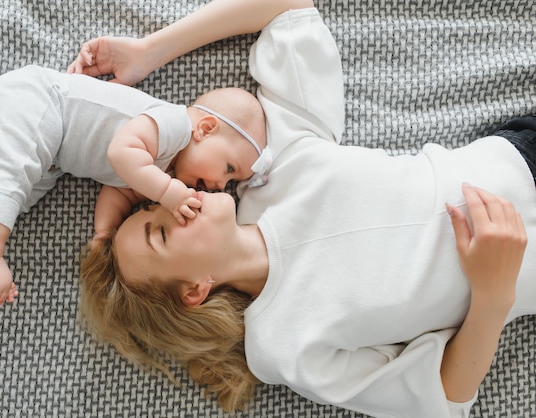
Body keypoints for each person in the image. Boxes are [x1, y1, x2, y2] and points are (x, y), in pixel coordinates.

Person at [72, 0, 536, 416]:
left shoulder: (272, 167)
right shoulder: (280, 345)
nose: (172, 201)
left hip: (520, 154)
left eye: (152, 204)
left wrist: (151, 50)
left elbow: (286, 8)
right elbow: (442, 402)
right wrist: (493, 296)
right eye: (161, 232)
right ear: (195, 289)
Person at [0, 64, 267, 305]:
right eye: (228, 168)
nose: (221, 185)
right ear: (205, 129)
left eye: (232, 181)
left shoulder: (161, 174)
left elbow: (119, 191)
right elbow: (121, 153)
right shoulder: (173, 124)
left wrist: (103, 233)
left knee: (23, 191)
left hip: (54, 155)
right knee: (11, 173)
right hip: (40, 103)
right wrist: (167, 192)